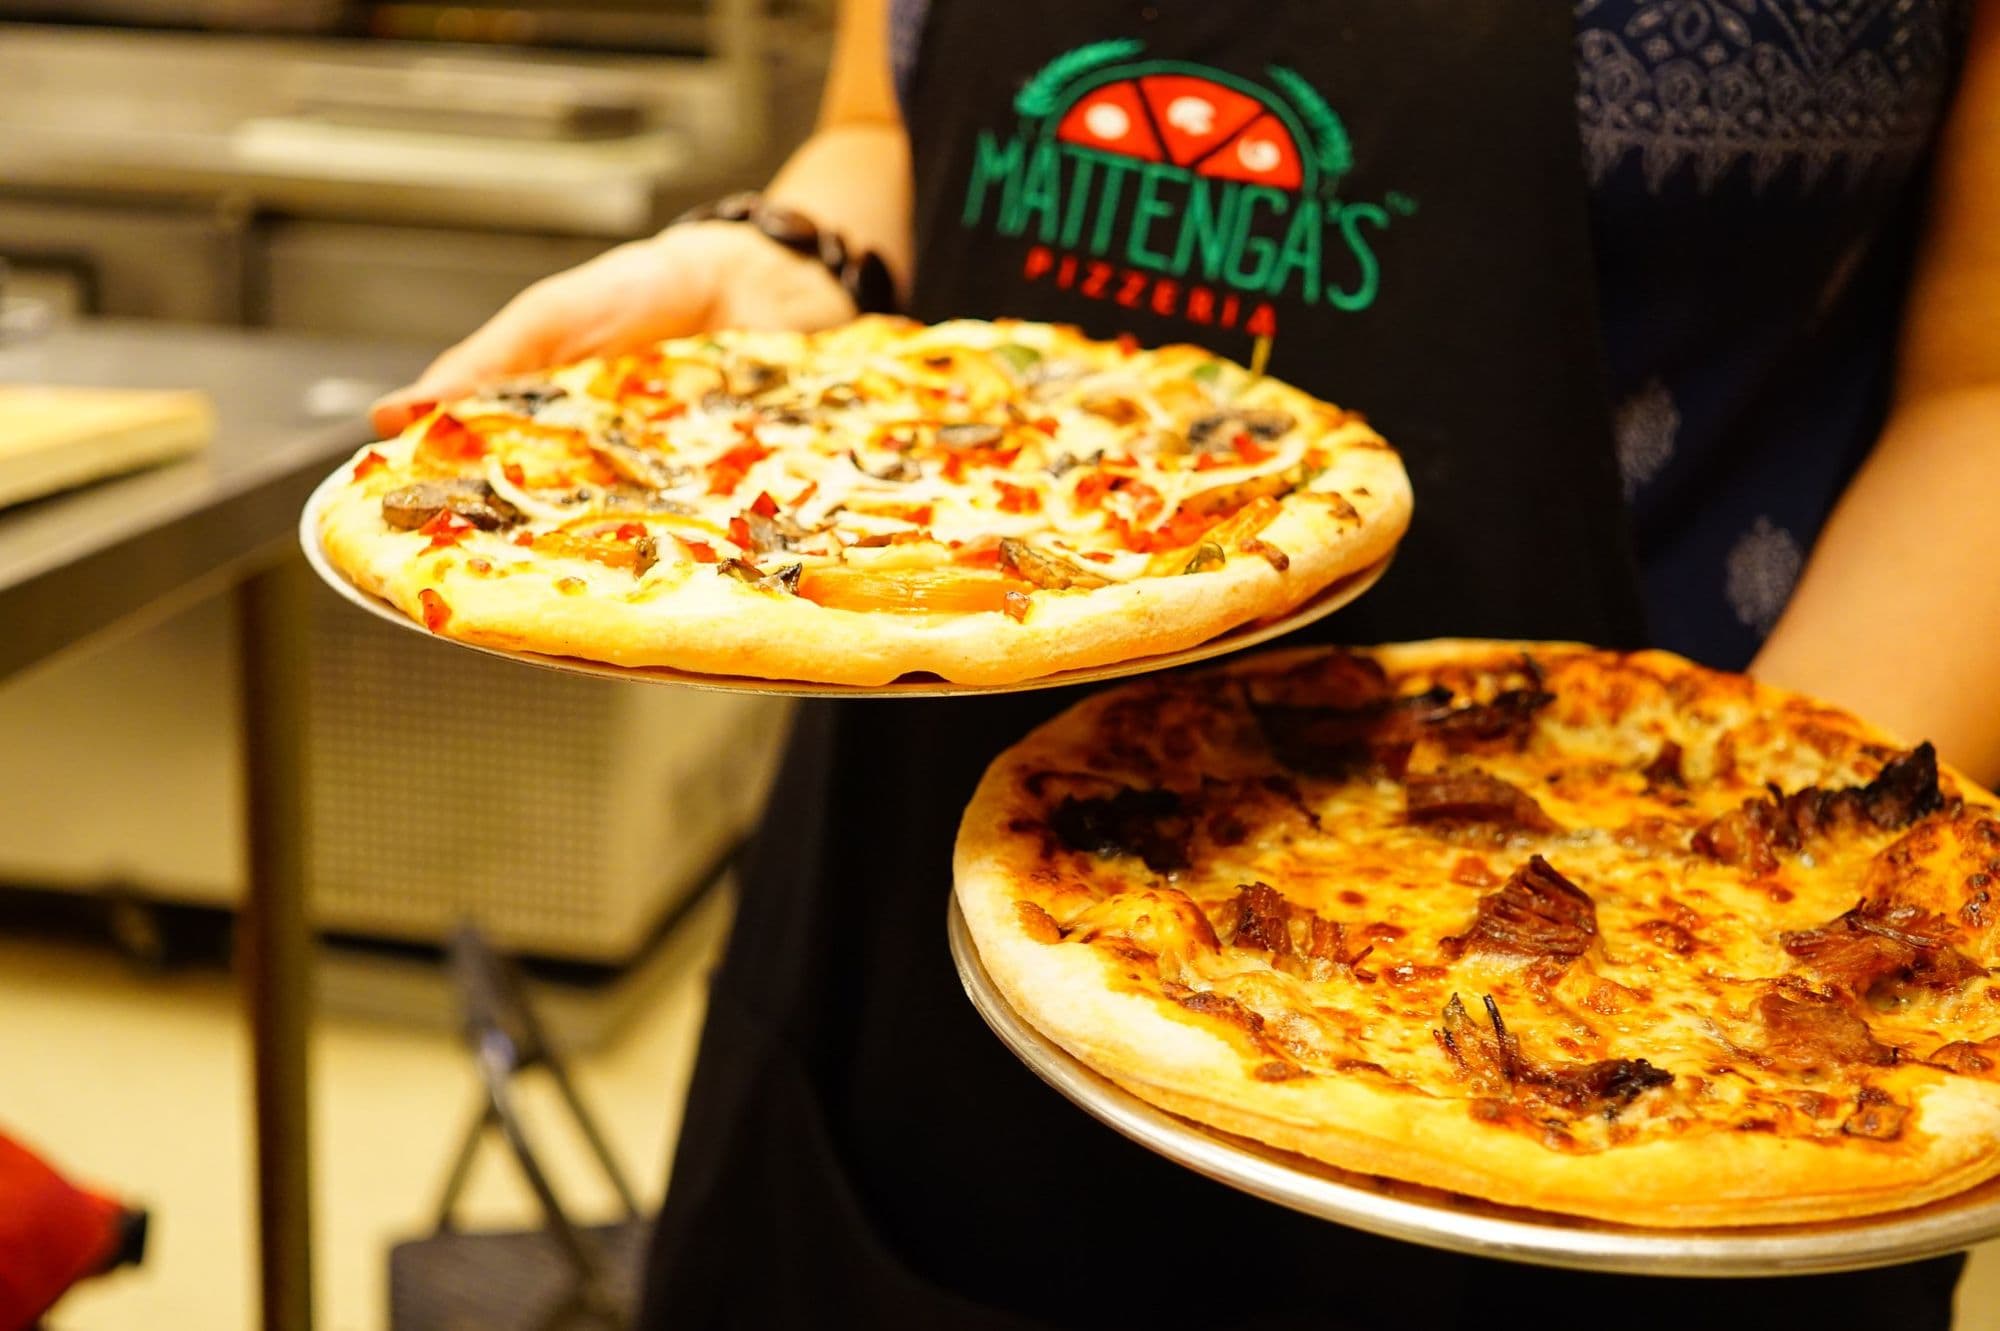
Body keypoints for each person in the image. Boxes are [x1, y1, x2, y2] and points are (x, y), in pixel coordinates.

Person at [374, 1, 2000, 1325]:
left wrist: (1710, 947)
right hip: (924, 931)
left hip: (1670, 988)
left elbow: (1983, 382)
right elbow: (884, 128)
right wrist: (809, 256)